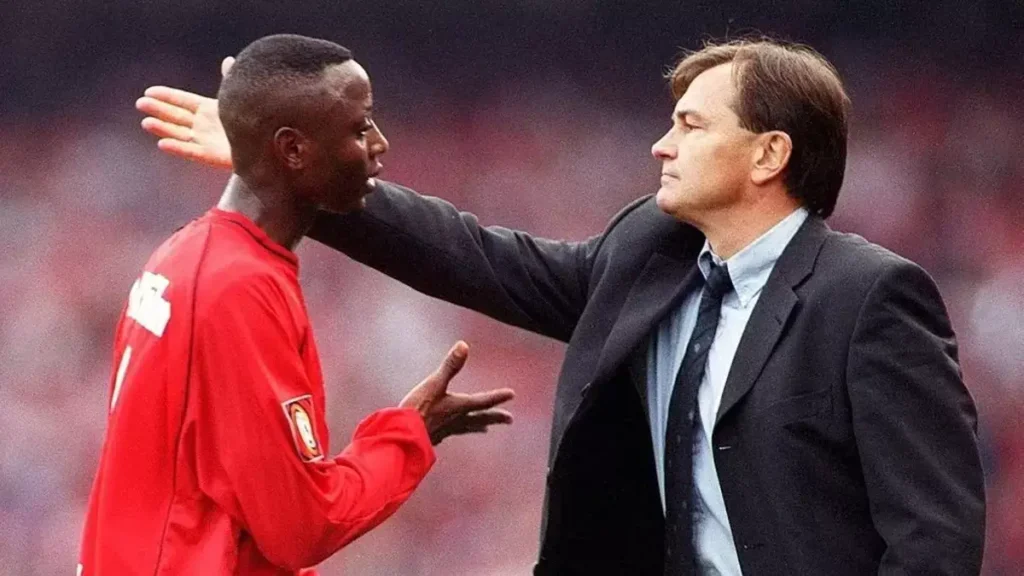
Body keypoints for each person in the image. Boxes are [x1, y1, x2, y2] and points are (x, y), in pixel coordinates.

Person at [137, 38, 985, 575]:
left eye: (691, 125)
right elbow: (479, 258)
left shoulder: (870, 298)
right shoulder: (647, 257)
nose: (663, 143)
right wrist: (293, 176)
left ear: (769, 153)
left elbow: (935, 539)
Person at [82, 34, 515, 576]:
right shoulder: (237, 287)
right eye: (360, 129)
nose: (379, 144)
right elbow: (300, 527)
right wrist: (410, 435)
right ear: (292, 149)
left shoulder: (186, 254)